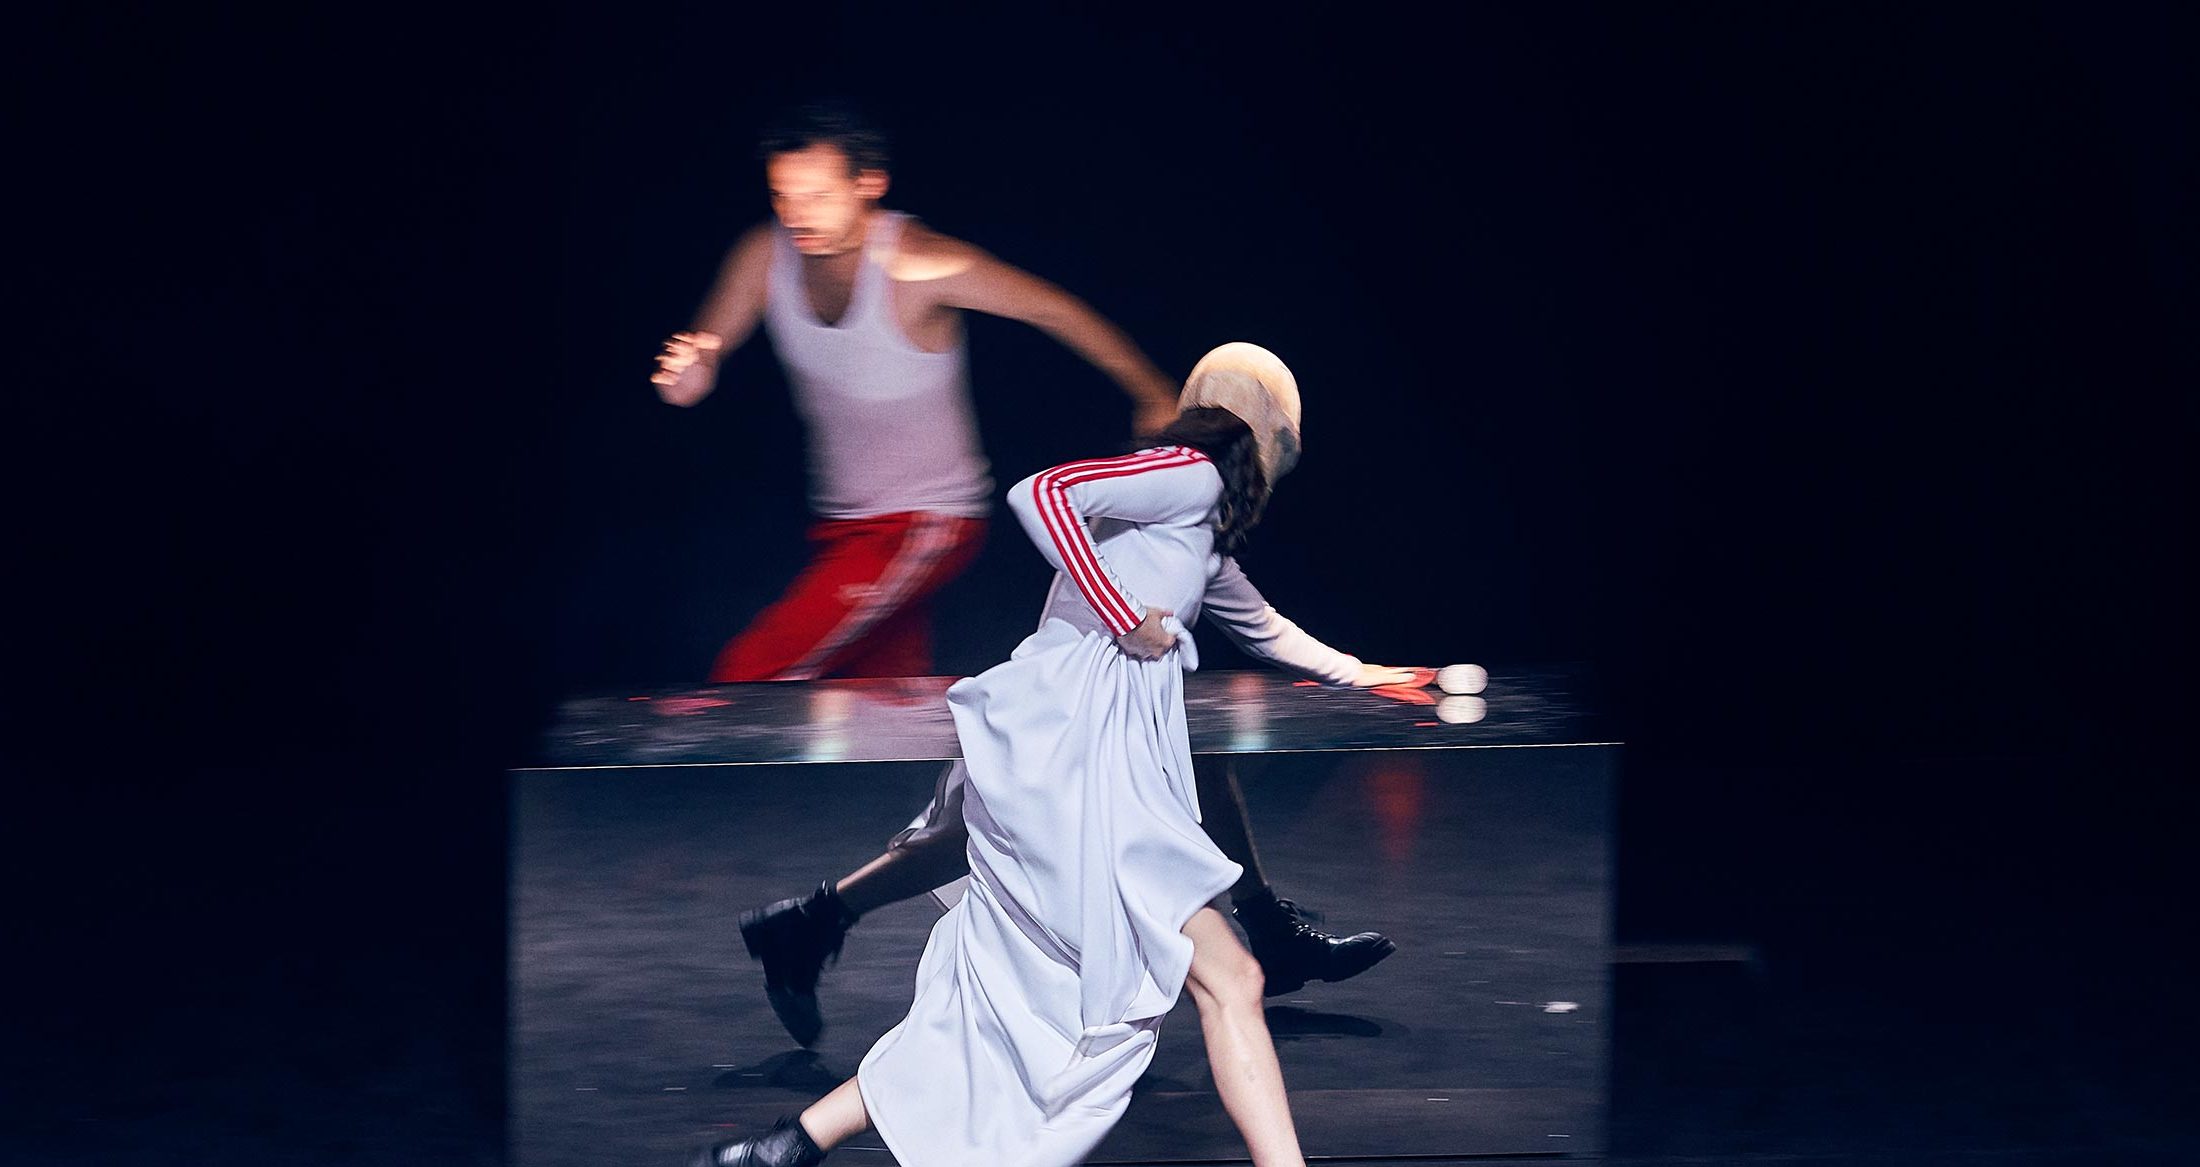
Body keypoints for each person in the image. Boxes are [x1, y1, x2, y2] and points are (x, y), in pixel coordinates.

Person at [692, 343, 1381, 1167]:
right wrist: (1123, 611)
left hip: (1080, 764)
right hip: (1080, 764)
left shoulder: (1199, 535)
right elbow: (1044, 492)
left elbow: (1267, 628)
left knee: (1016, 994)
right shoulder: (1188, 474)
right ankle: (796, 1107)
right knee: (1216, 980)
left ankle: (789, 1142)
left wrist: (1377, 674)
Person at [651, 99, 1181, 681]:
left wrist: (1152, 393)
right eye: (783, 196)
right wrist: (695, 366)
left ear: (869, 184)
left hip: (925, 521)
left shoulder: (918, 265)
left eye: (819, 197)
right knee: (877, 705)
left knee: (750, 675)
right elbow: (710, 342)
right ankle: (923, 773)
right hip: (842, 524)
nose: (797, 216)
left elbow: (1056, 311)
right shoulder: (763, 256)